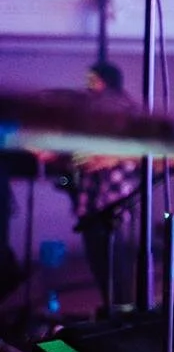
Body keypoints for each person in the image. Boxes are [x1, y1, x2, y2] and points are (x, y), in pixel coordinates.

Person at [52, 62, 141, 311]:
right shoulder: (94, 111)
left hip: (116, 196)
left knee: (116, 261)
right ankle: (112, 308)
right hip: (93, 196)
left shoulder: (126, 110)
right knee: (99, 260)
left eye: (93, 80)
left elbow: (138, 151)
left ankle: (122, 312)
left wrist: (105, 157)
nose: (88, 86)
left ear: (107, 82)